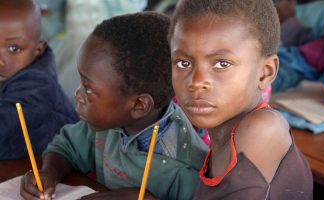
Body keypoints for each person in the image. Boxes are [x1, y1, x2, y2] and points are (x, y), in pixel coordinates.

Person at [20, 12, 209, 200]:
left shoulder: (186, 168)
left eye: (88, 88)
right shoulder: (108, 125)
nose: (77, 94)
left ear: (138, 105)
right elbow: (67, 147)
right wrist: (49, 173)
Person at [168, 0, 313, 199]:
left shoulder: (262, 129)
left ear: (265, 73)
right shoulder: (224, 134)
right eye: (183, 63)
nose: (197, 81)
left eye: (222, 63)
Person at [0, 0, 78, 160]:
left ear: (38, 50)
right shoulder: (10, 71)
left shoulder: (38, 88)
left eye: (14, 49)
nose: (0, 60)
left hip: (63, 172)